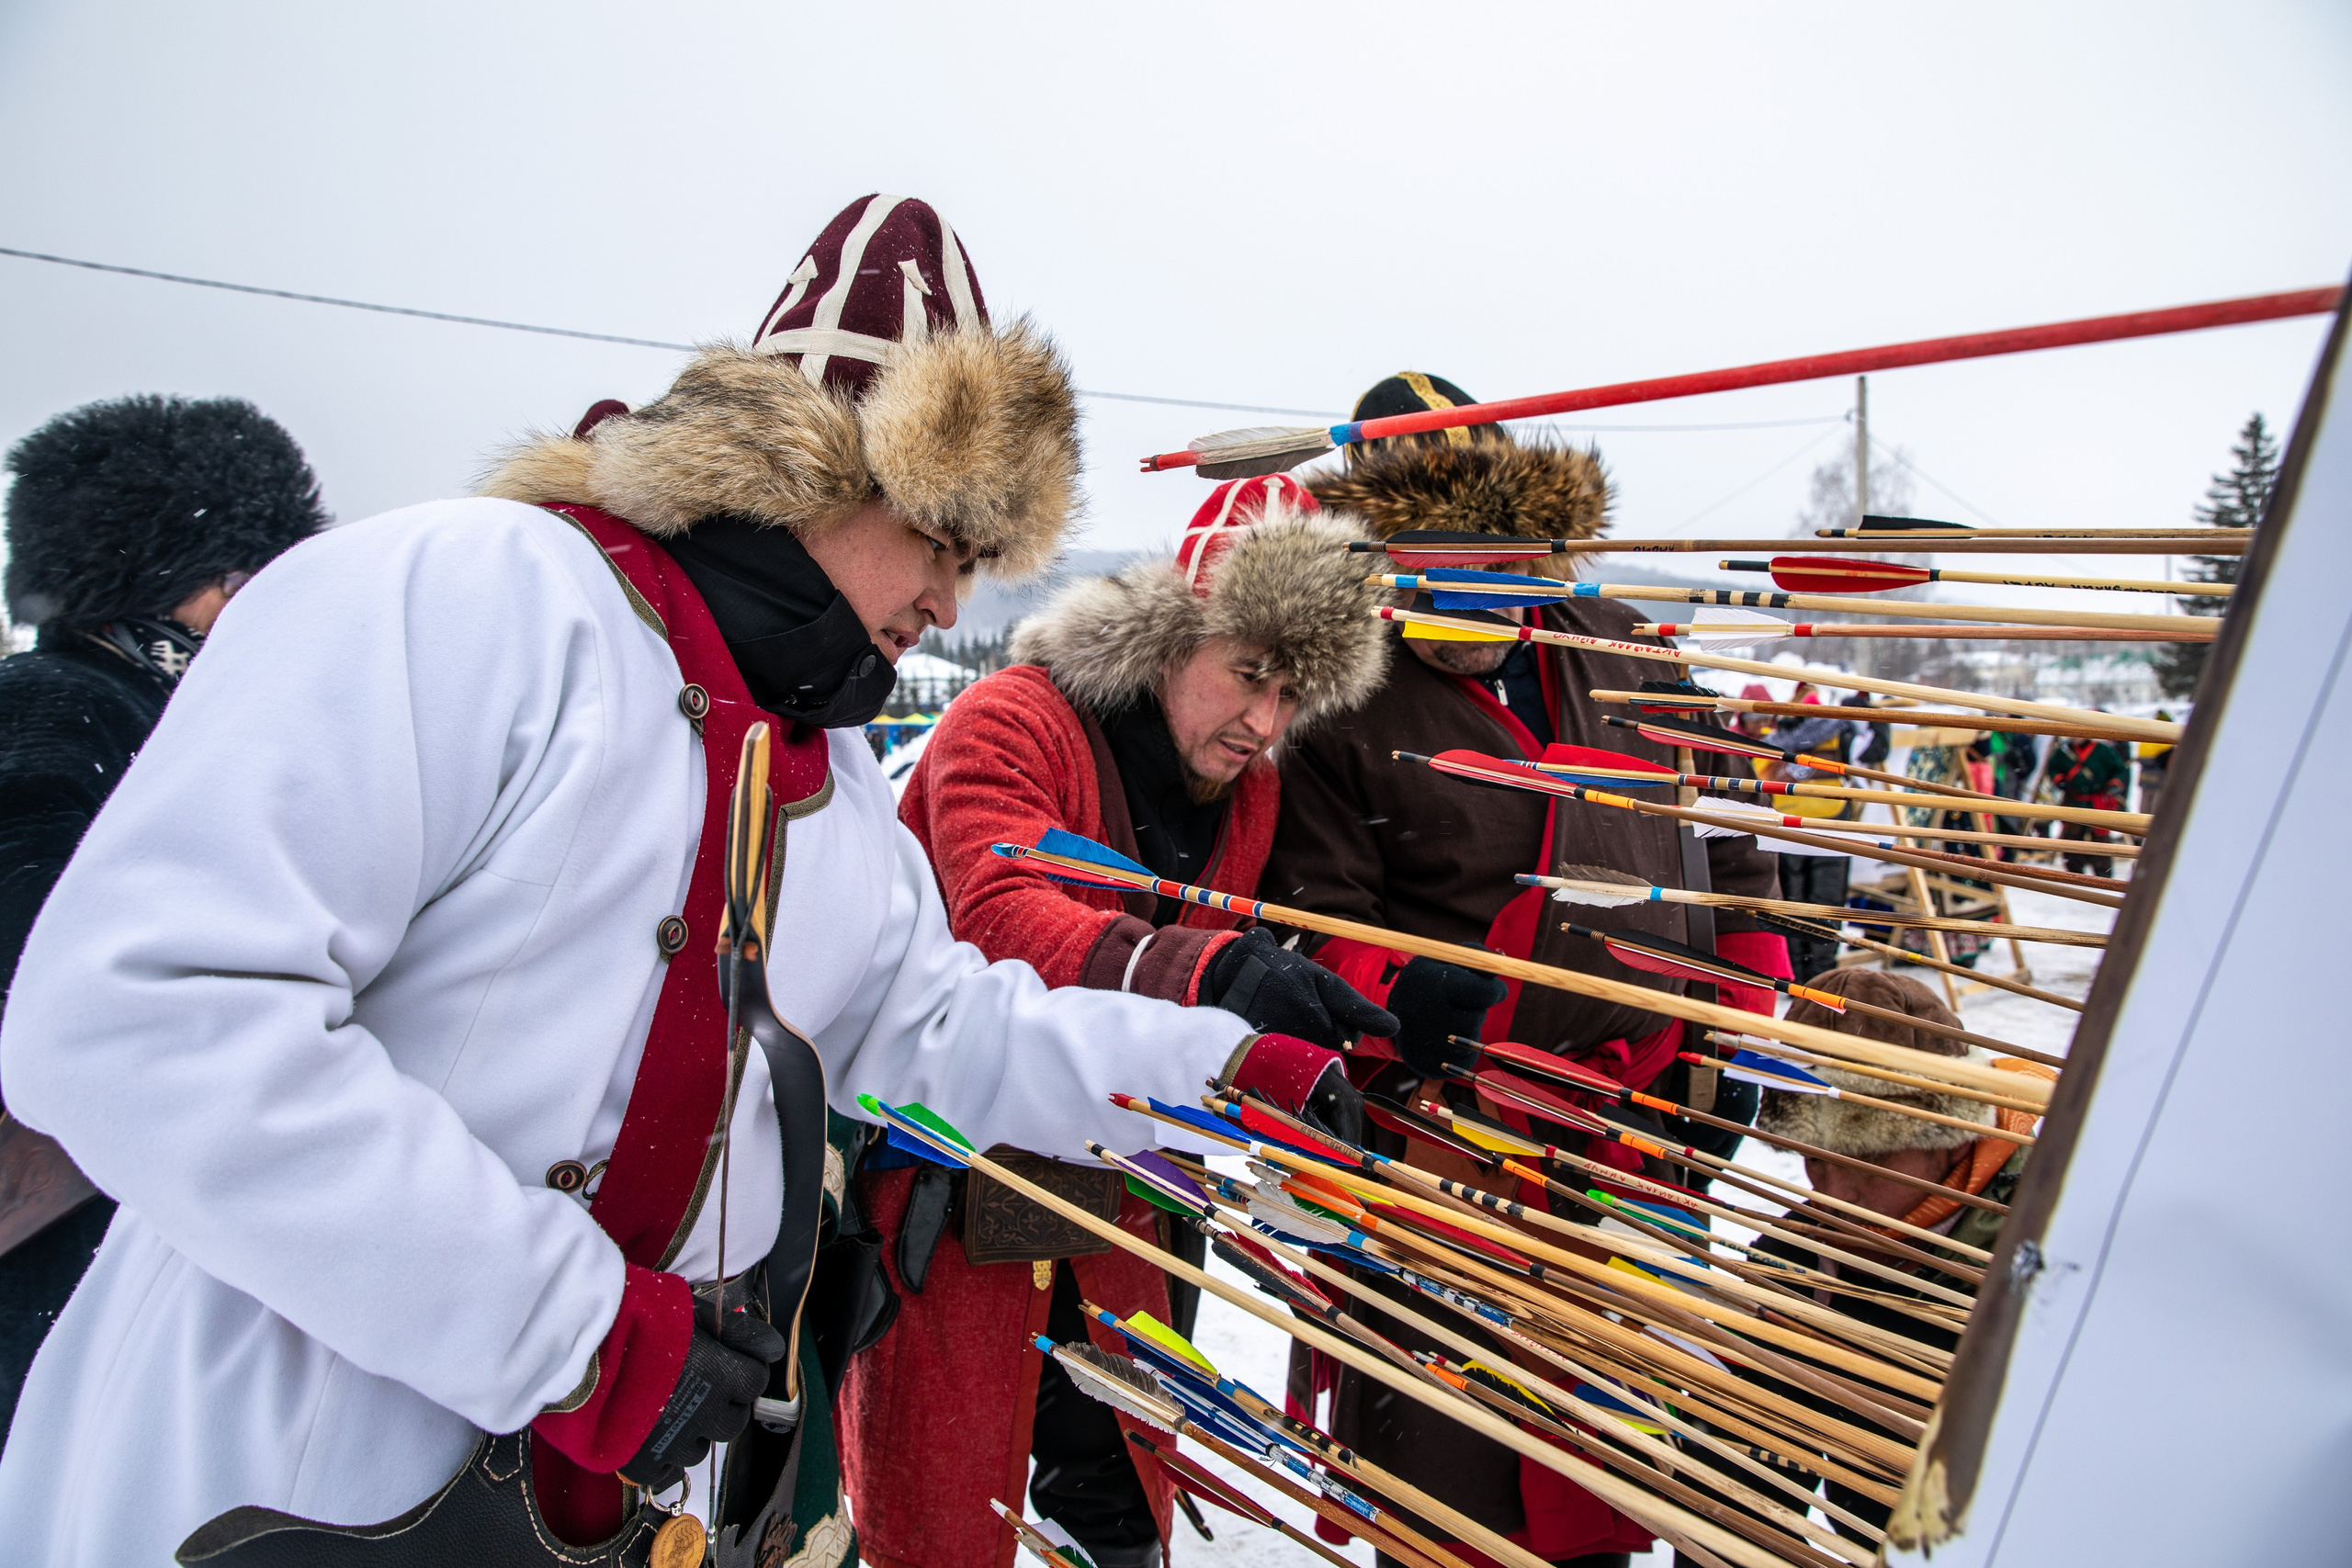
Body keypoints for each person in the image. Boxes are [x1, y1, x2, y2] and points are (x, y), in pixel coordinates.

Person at [0, 194, 1357, 1568]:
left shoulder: (824, 777)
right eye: (943, 540)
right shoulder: (471, 595)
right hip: (285, 1476)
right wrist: (573, 1331)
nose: (953, 604)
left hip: (614, 1512)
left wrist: (1220, 1065)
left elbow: (938, 1026)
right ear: (818, 464)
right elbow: (141, 1016)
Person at [1265, 372, 1790, 1568]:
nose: (1467, 569)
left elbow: (1730, 835)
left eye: (1489, 533)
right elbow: (1316, 911)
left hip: (1639, 1135)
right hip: (1458, 1144)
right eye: (1426, 543)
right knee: (1459, 1504)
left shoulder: (1626, 648)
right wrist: (1396, 997)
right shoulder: (1343, 692)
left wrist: (1739, 1025)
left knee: (1616, 1468)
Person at [856, 476, 1394, 1568]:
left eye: (1292, 694)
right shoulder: (1011, 719)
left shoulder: (1249, 787)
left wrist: (1386, 1007)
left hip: (1131, 1202)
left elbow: (1302, 931)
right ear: (1173, 635)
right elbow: (1002, 914)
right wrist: (1204, 976)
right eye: (1247, 675)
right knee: (942, 1510)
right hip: (963, 1184)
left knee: (1120, 1493)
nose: (1264, 722)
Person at [0, 394, 326, 1440]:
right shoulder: (62, 707)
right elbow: (49, 969)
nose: (258, 604)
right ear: (149, 581)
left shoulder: (161, 711)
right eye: (236, 577)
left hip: (118, 1209)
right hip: (55, 1232)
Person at [1671, 968, 2040, 1563]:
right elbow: (1739, 1503)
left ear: (1949, 1135)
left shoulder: (2038, 1251)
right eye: (1816, 1162)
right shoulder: (1797, 1265)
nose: (1836, 1194)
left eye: (1867, 1159)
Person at [2047, 728, 2130, 876]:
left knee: (2100, 838)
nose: (2075, 737)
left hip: (2097, 800)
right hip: (2074, 800)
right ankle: (2074, 873)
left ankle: (2103, 875)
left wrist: (2114, 784)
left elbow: (2120, 770)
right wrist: (2060, 780)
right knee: (2072, 837)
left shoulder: (2103, 751)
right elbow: (2053, 769)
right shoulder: (2063, 751)